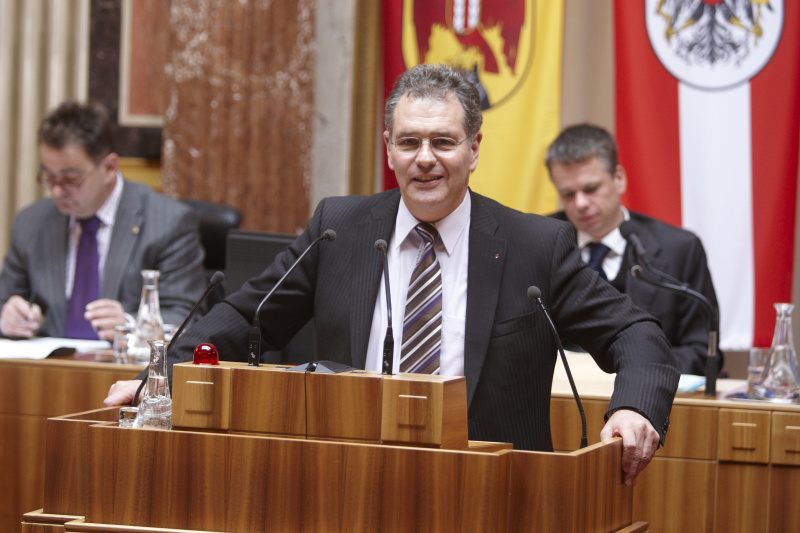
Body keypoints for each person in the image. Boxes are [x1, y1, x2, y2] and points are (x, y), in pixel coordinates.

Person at [106, 64, 679, 485]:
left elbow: (639, 334)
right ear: (389, 148)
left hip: (496, 491)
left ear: (474, 149)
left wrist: (634, 406)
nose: (424, 158)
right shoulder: (341, 228)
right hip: (351, 482)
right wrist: (162, 374)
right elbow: (247, 315)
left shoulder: (536, 245)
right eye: (409, 142)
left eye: (443, 142)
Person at [0, 100, 206, 341]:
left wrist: (132, 326)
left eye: (70, 179)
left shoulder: (168, 223)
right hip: (49, 373)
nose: (56, 191)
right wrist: (7, 316)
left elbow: (188, 318)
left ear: (109, 167)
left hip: (126, 374)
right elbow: (6, 299)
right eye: (50, 177)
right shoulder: (30, 223)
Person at [545, 124, 721, 376]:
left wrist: (634, 370)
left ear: (618, 178)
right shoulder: (538, 241)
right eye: (568, 194)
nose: (580, 204)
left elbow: (701, 353)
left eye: (591, 189)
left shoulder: (679, 249)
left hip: (649, 400)